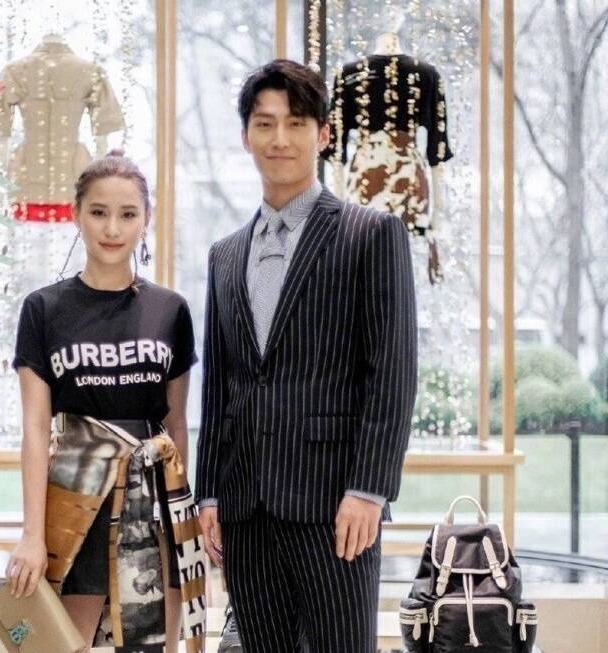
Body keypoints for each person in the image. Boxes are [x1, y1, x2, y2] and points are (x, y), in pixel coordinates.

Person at [196, 59, 418, 653]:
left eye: (296, 123)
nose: (280, 139)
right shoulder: (225, 254)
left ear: (323, 134)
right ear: (246, 136)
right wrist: (210, 493)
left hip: (335, 506)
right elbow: (220, 387)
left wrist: (369, 489)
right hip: (245, 510)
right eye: (264, 123)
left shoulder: (370, 234)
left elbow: (392, 374)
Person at [5, 150, 199, 652]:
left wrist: (182, 522)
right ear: (76, 214)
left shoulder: (171, 310)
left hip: (154, 507)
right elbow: (34, 429)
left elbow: (177, 425)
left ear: (145, 219)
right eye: (98, 212)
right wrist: (31, 534)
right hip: (75, 504)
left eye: (127, 214)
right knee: (60, 646)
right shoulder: (43, 309)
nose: (112, 228)